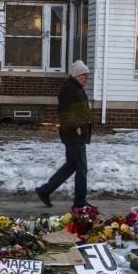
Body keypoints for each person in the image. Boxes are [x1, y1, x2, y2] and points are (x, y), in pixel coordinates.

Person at [36, 60, 92, 210]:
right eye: (84, 75)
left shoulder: (77, 88)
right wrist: (76, 126)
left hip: (75, 134)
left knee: (71, 165)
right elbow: (64, 112)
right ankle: (80, 202)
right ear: (76, 75)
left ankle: (45, 190)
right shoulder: (70, 89)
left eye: (88, 75)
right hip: (73, 134)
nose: (86, 78)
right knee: (81, 168)